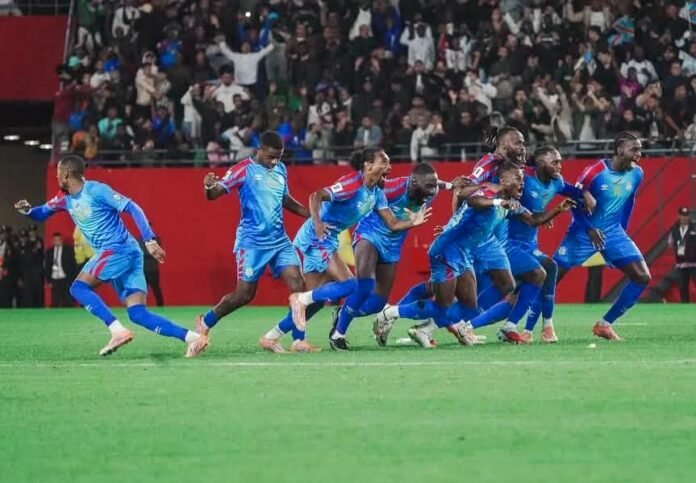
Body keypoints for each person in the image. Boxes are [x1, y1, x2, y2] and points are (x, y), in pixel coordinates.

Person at [15, 155, 208, 358]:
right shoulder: (64, 198)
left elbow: (133, 208)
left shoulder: (96, 191)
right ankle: (193, 338)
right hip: (128, 252)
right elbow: (41, 213)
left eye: (58, 174)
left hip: (117, 250)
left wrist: (149, 239)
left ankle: (117, 331)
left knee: (78, 288)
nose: (56, 178)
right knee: (138, 314)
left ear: (66, 174)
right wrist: (28, 210)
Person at [376, 162, 574, 348]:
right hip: (446, 250)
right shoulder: (489, 191)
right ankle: (390, 312)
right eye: (517, 179)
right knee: (442, 306)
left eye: (522, 179)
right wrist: (498, 202)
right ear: (503, 180)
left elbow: (532, 220)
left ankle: (433, 328)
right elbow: (473, 201)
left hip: (463, 253)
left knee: (477, 302)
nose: (522, 183)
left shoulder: (511, 203)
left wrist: (558, 209)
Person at [261, 147, 431, 351]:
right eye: (384, 162)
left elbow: (393, 224)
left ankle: (277, 337)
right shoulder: (352, 184)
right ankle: (300, 301)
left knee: (315, 301)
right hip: (317, 237)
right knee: (350, 285)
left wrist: (413, 222)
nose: (389, 167)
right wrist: (317, 222)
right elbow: (316, 196)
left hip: (328, 239)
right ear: (368, 166)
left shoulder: (377, 194)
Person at [194, 131, 314, 352]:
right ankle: (206, 321)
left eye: (279, 157)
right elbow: (214, 194)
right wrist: (208, 186)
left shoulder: (281, 169)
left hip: (279, 241)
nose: (274, 161)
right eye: (271, 157)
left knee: (298, 284)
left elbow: (285, 199)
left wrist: (310, 214)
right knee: (244, 295)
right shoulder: (243, 170)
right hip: (252, 244)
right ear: (259, 150)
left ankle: (298, 340)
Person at [467, 147, 595, 343]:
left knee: (516, 295)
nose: (560, 166)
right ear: (541, 163)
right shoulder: (523, 177)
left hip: (529, 241)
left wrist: (585, 193)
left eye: (560, 162)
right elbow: (502, 190)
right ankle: (544, 327)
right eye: (555, 162)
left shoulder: (556, 182)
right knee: (545, 269)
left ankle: (480, 326)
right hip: (509, 241)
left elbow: (573, 191)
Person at [330, 162, 444, 349]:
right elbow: (365, 188)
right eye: (429, 186)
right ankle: (338, 335)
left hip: (392, 246)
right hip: (370, 234)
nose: (432, 191)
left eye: (435, 186)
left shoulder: (432, 190)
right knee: (365, 285)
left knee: (377, 303)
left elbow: (438, 184)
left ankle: (342, 313)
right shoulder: (392, 188)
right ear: (414, 182)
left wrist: (452, 185)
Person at [554, 132, 651, 340]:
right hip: (583, 233)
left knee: (642, 277)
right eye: (634, 149)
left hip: (613, 233)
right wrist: (589, 228)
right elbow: (574, 202)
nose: (639, 153)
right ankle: (517, 321)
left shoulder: (637, 173)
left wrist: (622, 229)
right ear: (620, 150)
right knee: (549, 278)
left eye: (640, 149)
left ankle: (604, 325)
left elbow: (629, 200)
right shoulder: (594, 171)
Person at [668, 207, 696, 302]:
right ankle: (685, 305)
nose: (684, 218)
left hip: (694, 263)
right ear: (679, 216)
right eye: (682, 215)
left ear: (688, 216)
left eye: (686, 216)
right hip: (681, 263)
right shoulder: (674, 229)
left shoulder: (694, 228)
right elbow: (670, 244)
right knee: (683, 286)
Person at [45, 232, 76, 308]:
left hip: (65, 276)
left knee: (67, 299)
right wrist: (48, 280)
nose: (57, 241)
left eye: (58, 240)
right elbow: (47, 266)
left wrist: (72, 277)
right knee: (55, 299)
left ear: (61, 240)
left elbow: (72, 264)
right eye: (55, 240)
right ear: (53, 241)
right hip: (54, 277)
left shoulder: (68, 250)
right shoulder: (49, 252)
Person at [138, 234, 164, 307]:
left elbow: (155, 252)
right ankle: (141, 305)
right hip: (143, 269)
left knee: (155, 288)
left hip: (152, 268)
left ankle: (160, 305)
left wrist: (146, 252)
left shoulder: (155, 240)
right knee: (142, 289)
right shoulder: (139, 240)